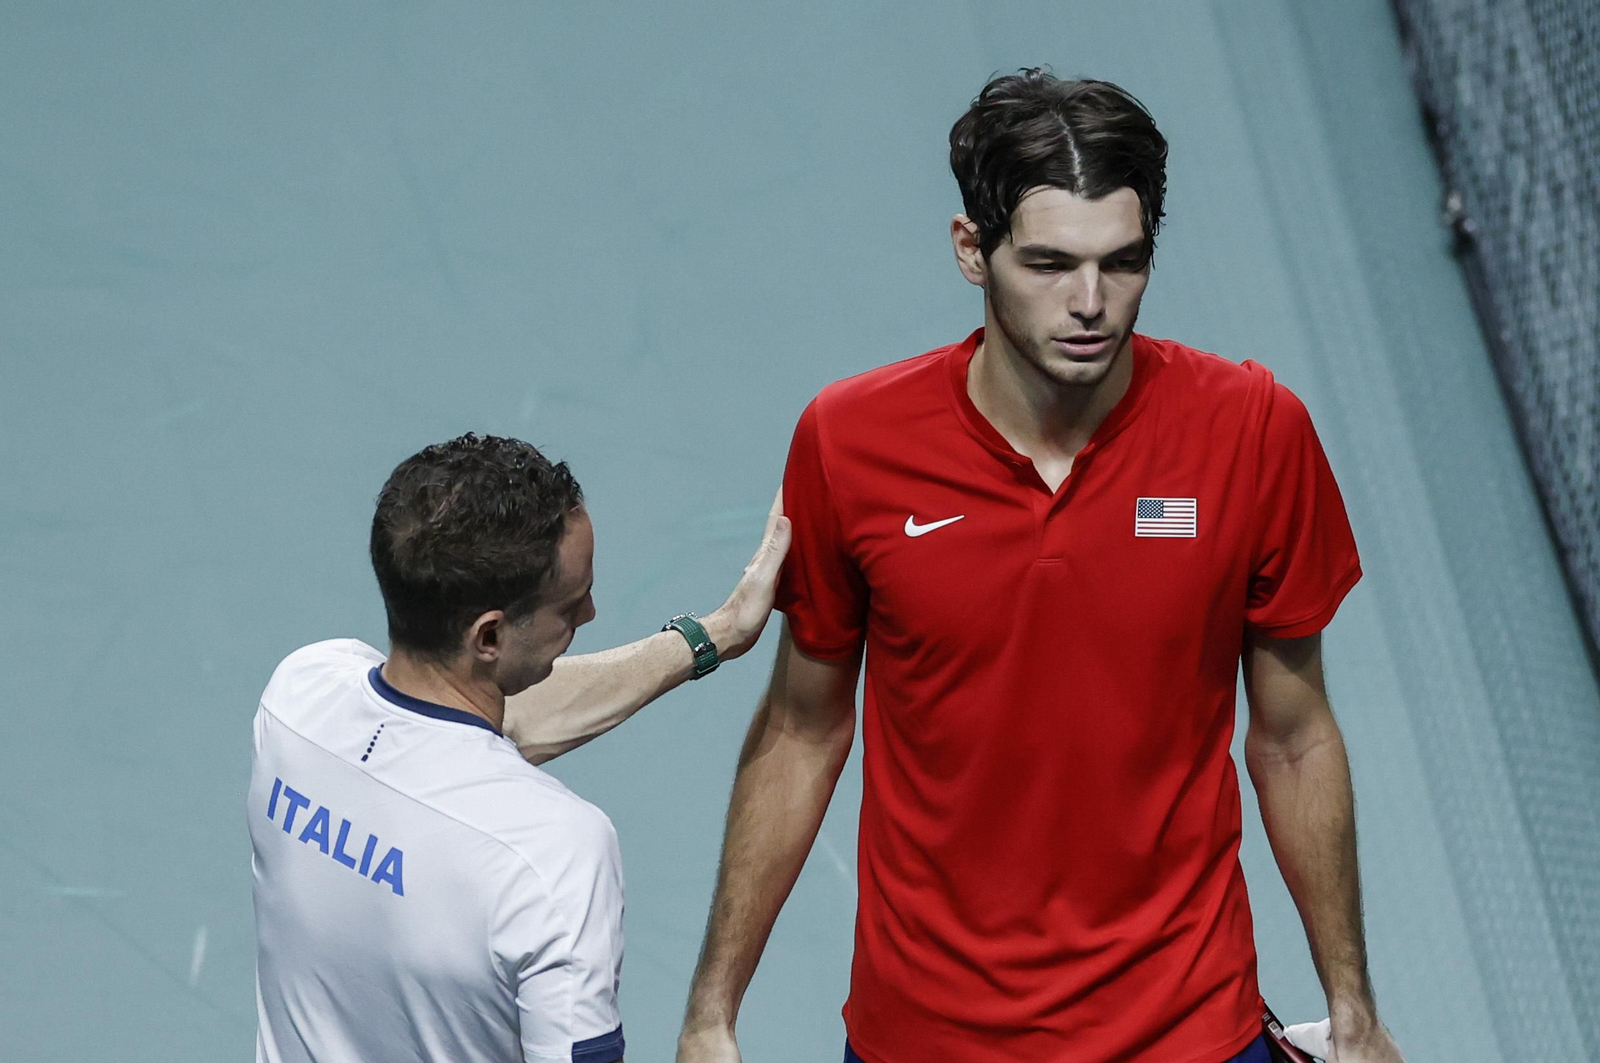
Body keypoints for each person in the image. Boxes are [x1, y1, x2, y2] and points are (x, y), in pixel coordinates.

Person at [677, 71, 1406, 1063]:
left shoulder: (1253, 432)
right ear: (971, 251)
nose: (1091, 304)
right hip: (925, 1038)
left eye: (1123, 262)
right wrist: (712, 1008)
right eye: (1050, 263)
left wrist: (1352, 1007)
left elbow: (1291, 737)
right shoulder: (849, 443)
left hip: (1184, 1028)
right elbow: (803, 728)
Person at [248, 433, 788, 1063]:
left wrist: (715, 633)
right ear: (489, 636)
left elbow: (481, 730)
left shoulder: (298, 697)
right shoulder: (553, 853)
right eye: (569, 603)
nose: (589, 612)